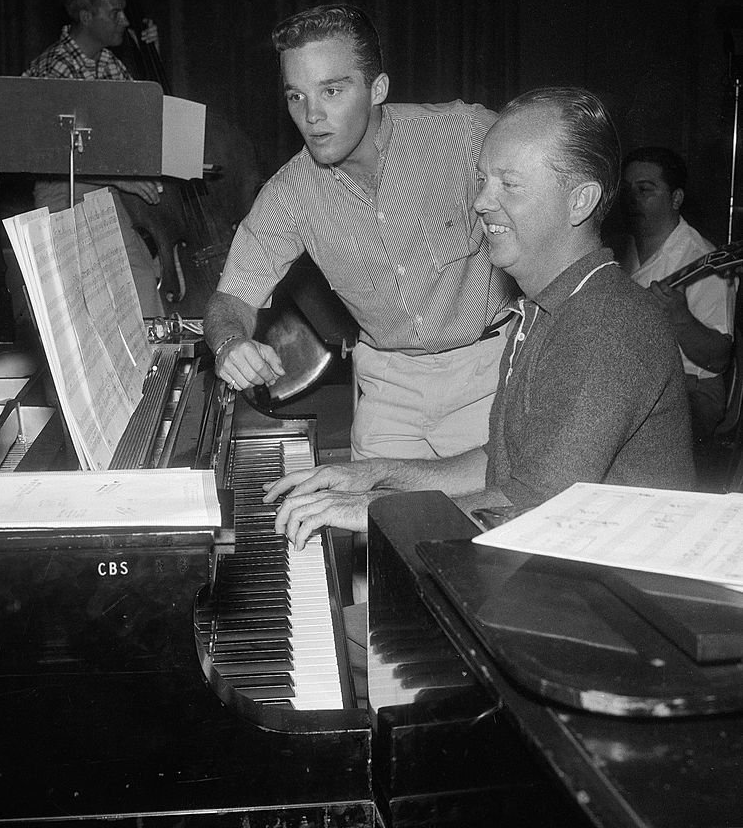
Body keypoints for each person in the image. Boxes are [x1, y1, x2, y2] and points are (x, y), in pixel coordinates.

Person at [265, 87, 696, 551]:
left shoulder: (607, 325)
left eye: (509, 184)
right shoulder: (546, 307)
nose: (481, 202)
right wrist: (375, 474)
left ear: (580, 202)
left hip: (613, 604)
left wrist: (372, 509)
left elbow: (534, 507)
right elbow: (501, 464)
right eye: (482, 180)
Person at [204, 3, 515, 461]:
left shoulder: (466, 136)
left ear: (377, 89)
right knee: (374, 526)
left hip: (486, 373)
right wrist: (229, 343)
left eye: (331, 90)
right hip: (386, 386)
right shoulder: (290, 192)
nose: (311, 116)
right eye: (296, 96)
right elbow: (230, 299)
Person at [23, 0, 165, 316]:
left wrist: (152, 54)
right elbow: (60, 154)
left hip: (103, 189)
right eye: (115, 13)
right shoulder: (55, 66)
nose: (125, 20)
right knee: (86, 301)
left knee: (141, 278)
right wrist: (120, 177)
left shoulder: (106, 61)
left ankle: (158, 365)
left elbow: (137, 120)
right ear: (86, 17)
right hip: (65, 190)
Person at [618, 147, 735, 442]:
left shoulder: (704, 259)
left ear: (676, 199)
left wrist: (679, 317)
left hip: (690, 390)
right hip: (624, 382)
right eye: (627, 189)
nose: (632, 198)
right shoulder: (614, 248)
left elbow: (718, 360)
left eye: (645, 189)